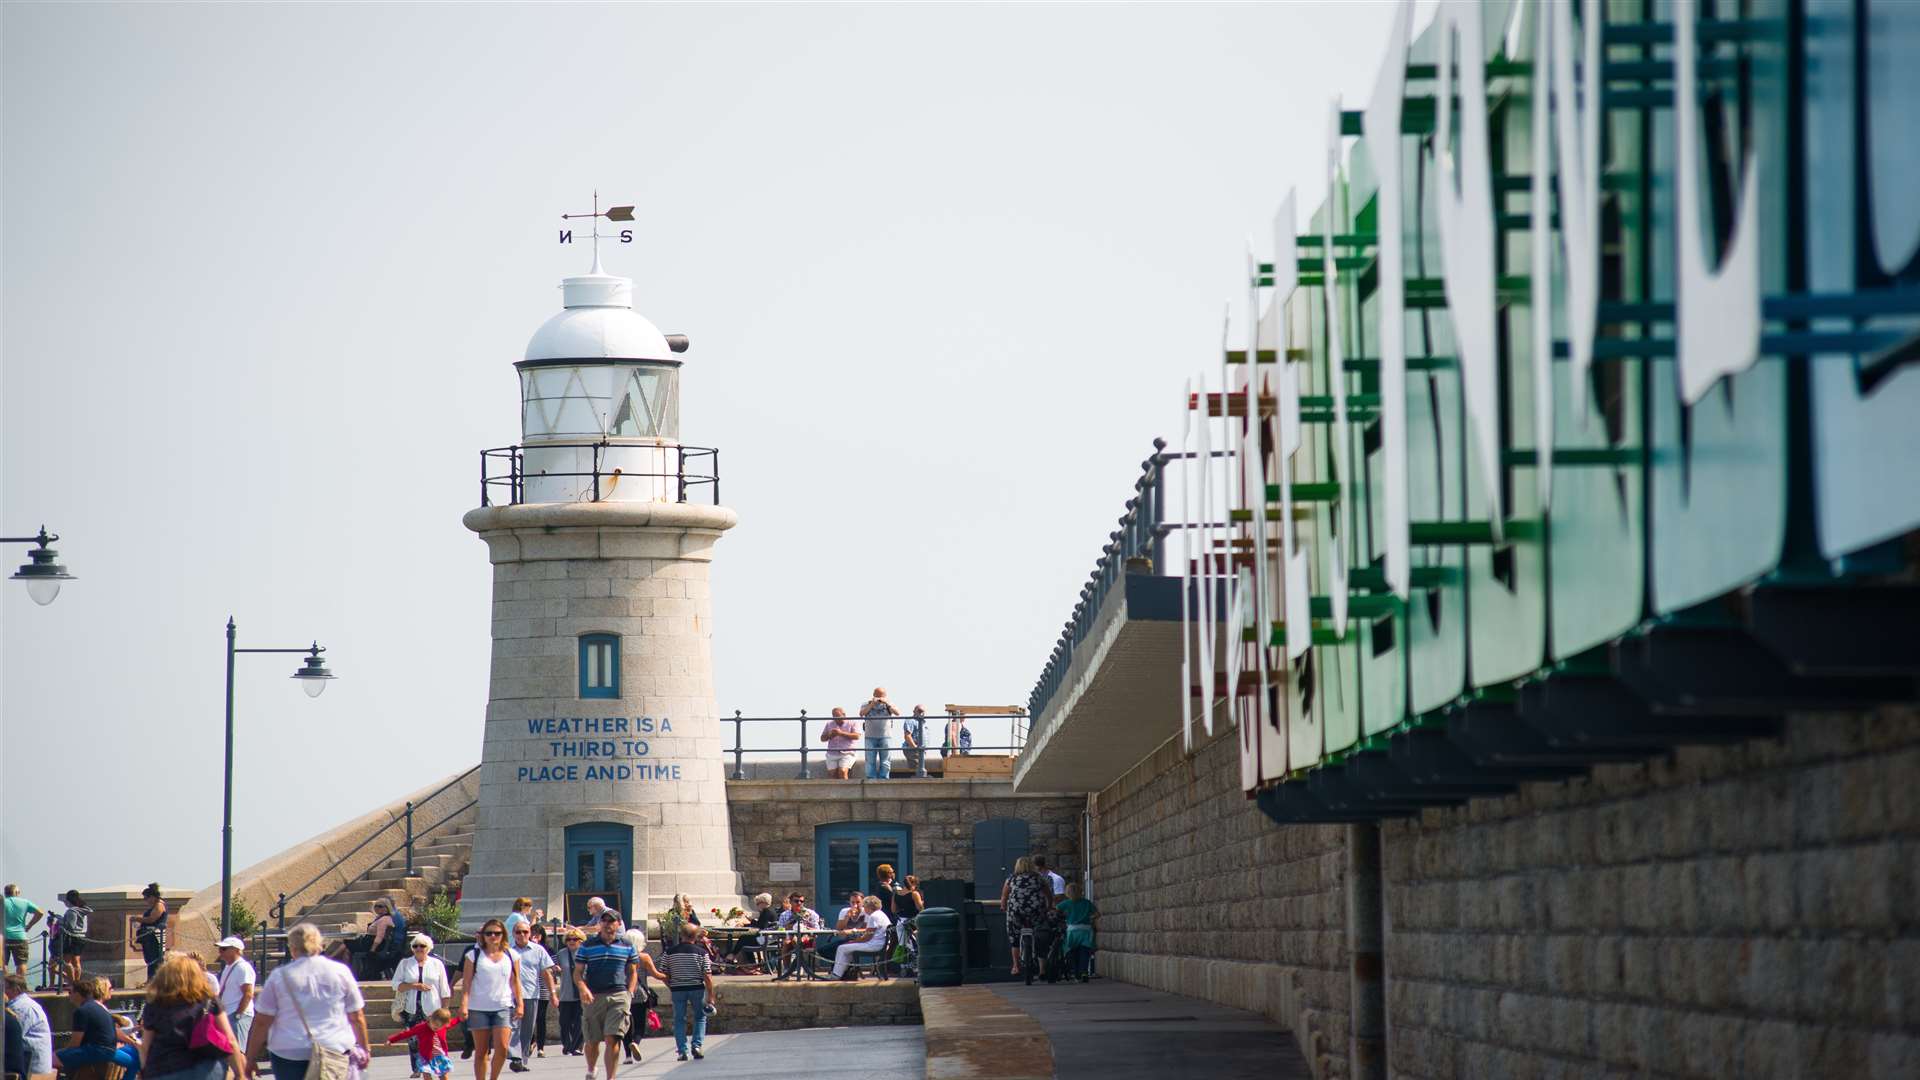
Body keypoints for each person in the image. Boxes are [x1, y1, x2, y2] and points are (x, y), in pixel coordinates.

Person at [245, 922, 370, 1080]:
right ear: (320, 945)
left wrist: (250, 1058)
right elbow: (356, 1016)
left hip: (289, 1050)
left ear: (292, 948)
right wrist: (365, 1049)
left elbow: (262, 1021)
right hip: (333, 1047)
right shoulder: (340, 972)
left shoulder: (280, 976)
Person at [575, 910, 663, 1080]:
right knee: (592, 1041)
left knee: (612, 1038)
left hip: (618, 995)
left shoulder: (627, 946)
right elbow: (577, 972)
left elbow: (633, 972)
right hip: (594, 995)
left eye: (612, 921)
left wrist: (629, 993)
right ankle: (592, 1068)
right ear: (600, 924)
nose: (608, 924)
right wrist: (583, 988)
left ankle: (611, 1077)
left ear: (618, 924)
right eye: (604, 921)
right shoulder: (587, 945)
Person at [139, 954, 246, 1080]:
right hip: (207, 1069)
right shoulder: (209, 1000)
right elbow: (230, 1039)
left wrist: (144, 1073)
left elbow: (146, 1046)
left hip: (165, 1068)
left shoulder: (154, 1005)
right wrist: (239, 1074)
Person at [457, 918, 521, 1080]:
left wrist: (520, 1003)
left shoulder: (511, 955)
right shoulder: (473, 955)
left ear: (503, 935)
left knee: (503, 1047)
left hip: (503, 1005)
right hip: (478, 1007)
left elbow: (515, 981)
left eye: (497, 933)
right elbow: (467, 983)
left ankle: (493, 1077)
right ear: (483, 936)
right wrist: (464, 1005)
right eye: (489, 933)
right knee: (481, 1050)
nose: (493, 936)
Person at [392, 935, 450, 1079]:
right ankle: (420, 1069)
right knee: (415, 1042)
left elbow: (444, 989)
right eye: (415, 946)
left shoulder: (437, 964)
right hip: (412, 1009)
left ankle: (440, 1071)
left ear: (428, 948)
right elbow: (395, 984)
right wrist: (413, 986)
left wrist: (446, 1010)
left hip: (432, 1010)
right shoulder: (405, 964)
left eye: (422, 946)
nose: (418, 949)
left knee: (436, 1043)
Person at [660, 926, 716, 1062]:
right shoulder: (702, 953)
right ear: (696, 936)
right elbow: (707, 976)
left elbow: (663, 974)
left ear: (681, 935)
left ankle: (682, 1051)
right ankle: (696, 1045)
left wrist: (671, 986)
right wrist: (711, 995)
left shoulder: (669, 952)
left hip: (678, 989)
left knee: (679, 1019)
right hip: (696, 987)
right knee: (700, 1017)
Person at [505, 920, 555, 1072]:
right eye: (518, 932)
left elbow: (546, 972)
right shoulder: (507, 951)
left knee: (527, 1029)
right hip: (510, 996)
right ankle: (515, 1056)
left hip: (531, 994)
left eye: (525, 932)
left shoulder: (538, 950)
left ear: (530, 934)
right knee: (513, 1027)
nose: (522, 935)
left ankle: (523, 1059)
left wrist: (553, 993)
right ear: (513, 934)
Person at [56, 970, 122, 1072]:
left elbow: (75, 1043)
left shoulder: (82, 1011)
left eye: (70, 992)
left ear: (78, 994)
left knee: (50, 1059)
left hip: (97, 1050)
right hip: (108, 1050)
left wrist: (62, 1052)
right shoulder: (98, 1007)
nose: (68, 995)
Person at [1000, 857, 1052, 977]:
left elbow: (1004, 896)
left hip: (1016, 911)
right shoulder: (1039, 878)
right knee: (1040, 935)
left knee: (1014, 938)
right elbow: (1048, 895)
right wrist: (1049, 907)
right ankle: (1042, 969)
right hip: (1036, 911)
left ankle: (1015, 966)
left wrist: (1003, 907)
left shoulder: (1011, 878)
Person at [5, 972, 55, 1080]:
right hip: (30, 1061)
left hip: (32, 1067)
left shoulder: (22, 1008)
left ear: (16, 989)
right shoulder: (25, 1004)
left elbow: (13, 1037)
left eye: (5, 988)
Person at [828, 897, 891, 980]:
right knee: (848, 949)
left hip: (874, 945)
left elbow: (867, 937)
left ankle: (836, 975)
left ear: (869, 907)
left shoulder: (873, 916)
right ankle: (844, 973)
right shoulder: (881, 914)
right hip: (879, 943)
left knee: (841, 948)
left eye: (864, 906)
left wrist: (853, 941)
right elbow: (869, 933)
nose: (864, 909)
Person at [385, 1007, 456, 1080]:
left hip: (440, 1056)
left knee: (443, 1076)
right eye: (435, 1024)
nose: (437, 1027)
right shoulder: (421, 1027)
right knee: (426, 1074)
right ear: (431, 1018)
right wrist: (391, 1040)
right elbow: (406, 1033)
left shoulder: (443, 1027)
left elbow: (455, 1021)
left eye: (440, 1026)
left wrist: (462, 1017)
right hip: (426, 1057)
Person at [616, 930, 653, 1066]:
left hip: (623, 992)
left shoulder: (620, 955)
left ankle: (627, 1056)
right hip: (639, 993)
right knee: (639, 1024)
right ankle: (635, 1042)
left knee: (626, 1025)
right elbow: (655, 974)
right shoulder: (644, 957)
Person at [215, 936, 258, 1053]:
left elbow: (248, 993)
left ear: (236, 950)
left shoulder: (243, 968)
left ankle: (243, 1071)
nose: (220, 952)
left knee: (238, 1051)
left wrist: (238, 1014)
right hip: (229, 1013)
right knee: (230, 1051)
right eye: (220, 949)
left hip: (237, 1015)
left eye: (224, 949)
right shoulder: (229, 967)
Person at [720, 894, 778, 969]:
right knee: (744, 939)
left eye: (757, 904)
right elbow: (761, 925)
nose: (757, 906)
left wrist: (746, 924)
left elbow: (760, 927)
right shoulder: (770, 910)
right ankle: (737, 957)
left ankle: (736, 956)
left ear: (763, 903)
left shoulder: (766, 911)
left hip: (765, 939)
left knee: (744, 940)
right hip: (768, 938)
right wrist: (749, 922)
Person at [773, 893, 822, 980]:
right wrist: (786, 927)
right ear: (791, 902)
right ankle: (789, 969)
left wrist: (806, 928)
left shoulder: (810, 913)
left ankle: (797, 967)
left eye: (801, 901)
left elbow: (817, 930)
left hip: (807, 938)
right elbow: (780, 931)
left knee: (794, 940)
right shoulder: (784, 915)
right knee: (788, 942)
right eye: (796, 901)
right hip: (790, 939)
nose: (799, 903)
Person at [552, 929, 584, 1056]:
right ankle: (567, 1045)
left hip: (581, 993)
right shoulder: (561, 954)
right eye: (569, 939)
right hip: (566, 993)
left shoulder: (584, 953)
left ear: (580, 941)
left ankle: (576, 1047)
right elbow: (553, 967)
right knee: (564, 1022)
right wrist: (556, 969)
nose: (571, 941)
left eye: (574, 939)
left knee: (579, 1022)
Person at [1058, 883, 1098, 982]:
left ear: (1067, 892)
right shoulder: (1087, 903)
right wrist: (1090, 918)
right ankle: (1084, 972)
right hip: (1086, 930)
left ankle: (1076, 974)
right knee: (1085, 952)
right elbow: (1097, 914)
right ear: (1080, 892)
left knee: (1073, 953)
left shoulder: (1066, 903)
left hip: (1072, 930)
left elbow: (1056, 910)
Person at [3, 884, 43, 980]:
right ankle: (19, 985)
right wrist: (29, 925)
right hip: (20, 936)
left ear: (5, 893)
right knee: (21, 963)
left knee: (3, 963)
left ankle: (4, 986)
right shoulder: (25, 902)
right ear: (16, 892)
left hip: (3, 937)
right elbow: (40, 912)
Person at [858, 687, 900, 780]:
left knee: (885, 761)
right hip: (870, 737)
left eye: (881, 696)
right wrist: (872, 704)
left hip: (885, 737)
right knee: (870, 760)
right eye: (877, 696)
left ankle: (884, 778)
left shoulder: (890, 704)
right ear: (873, 695)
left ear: (885, 696)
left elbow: (897, 713)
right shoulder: (866, 704)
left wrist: (887, 703)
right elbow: (861, 713)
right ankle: (871, 778)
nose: (879, 698)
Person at [134, 884, 170, 980]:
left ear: (152, 897)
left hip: (155, 937)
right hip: (149, 936)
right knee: (150, 959)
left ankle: (155, 980)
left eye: (146, 898)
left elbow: (152, 919)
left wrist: (137, 918)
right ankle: (151, 979)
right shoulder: (154, 905)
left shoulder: (159, 905)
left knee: (155, 959)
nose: (145, 901)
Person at [59, 890, 93, 986]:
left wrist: (60, 920)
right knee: (77, 961)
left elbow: (70, 926)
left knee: (67, 961)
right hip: (81, 937)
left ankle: (72, 982)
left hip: (72, 937)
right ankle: (77, 982)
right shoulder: (82, 910)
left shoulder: (71, 911)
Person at [818, 707, 860, 780]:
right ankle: (835, 791)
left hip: (847, 752)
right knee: (832, 774)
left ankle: (845, 790)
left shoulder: (853, 723)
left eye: (837, 716)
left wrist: (841, 733)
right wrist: (829, 735)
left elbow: (857, 736)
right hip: (832, 753)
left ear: (844, 715)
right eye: (834, 716)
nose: (836, 719)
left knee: (843, 772)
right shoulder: (829, 724)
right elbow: (822, 738)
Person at [902, 706, 928, 776]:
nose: (921, 713)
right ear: (914, 711)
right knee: (918, 767)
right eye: (919, 711)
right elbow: (907, 736)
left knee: (920, 767)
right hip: (913, 750)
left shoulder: (923, 723)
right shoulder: (911, 721)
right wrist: (915, 748)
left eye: (922, 711)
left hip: (920, 750)